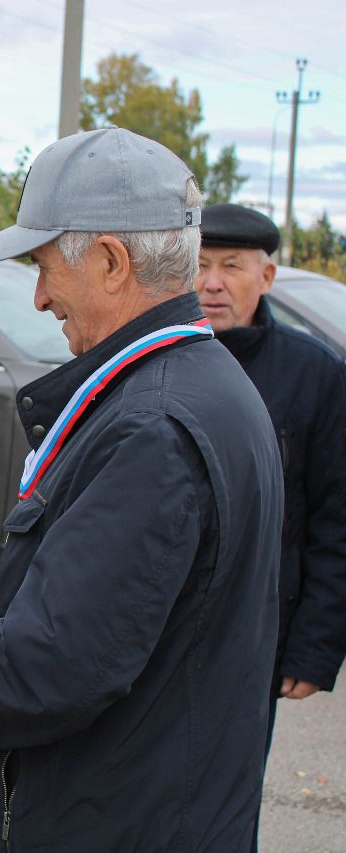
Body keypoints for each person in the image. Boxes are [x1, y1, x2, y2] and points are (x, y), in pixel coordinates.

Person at [0, 128, 284, 851]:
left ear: (109, 261)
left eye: (43, 267)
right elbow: (127, 626)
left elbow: (50, 670)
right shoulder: (205, 385)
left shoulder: (152, 425)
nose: (38, 297)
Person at [197, 204, 346, 815]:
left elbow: (335, 519)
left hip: (257, 634)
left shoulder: (314, 375)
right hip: (158, 626)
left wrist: (314, 646)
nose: (212, 283)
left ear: (267, 277)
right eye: (200, 265)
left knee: (227, 801)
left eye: (231, 267)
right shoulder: (154, 358)